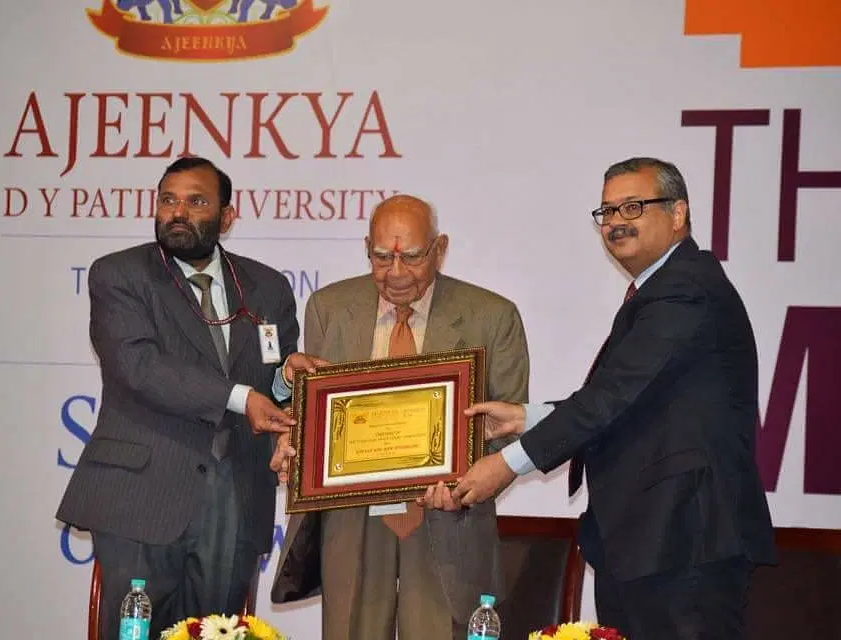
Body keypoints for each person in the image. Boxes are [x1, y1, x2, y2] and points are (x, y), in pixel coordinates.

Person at [451, 157, 777, 639]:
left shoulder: (686, 288)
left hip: (686, 543)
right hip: (649, 542)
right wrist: (526, 417)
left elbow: (613, 396)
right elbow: (634, 402)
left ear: (678, 213)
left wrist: (508, 463)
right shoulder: (660, 289)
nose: (616, 222)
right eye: (607, 211)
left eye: (633, 206)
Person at [56, 156, 326, 640]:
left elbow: (271, 383)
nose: (177, 212)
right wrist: (242, 397)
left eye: (196, 201)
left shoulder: (267, 287)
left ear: (227, 216)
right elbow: (138, 366)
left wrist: (287, 380)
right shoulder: (120, 275)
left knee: (218, 631)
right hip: (143, 494)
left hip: (237, 496)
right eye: (168, 200)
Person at [269, 195, 531, 640]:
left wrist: (466, 487)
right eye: (380, 257)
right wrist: (296, 443)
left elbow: (510, 433)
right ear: (366, 248)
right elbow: (315, 411)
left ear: (439, 249)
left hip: (445, 521)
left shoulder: (492, 316)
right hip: (351, 519)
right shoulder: (329, 307)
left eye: (411, 257)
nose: (395, 272)